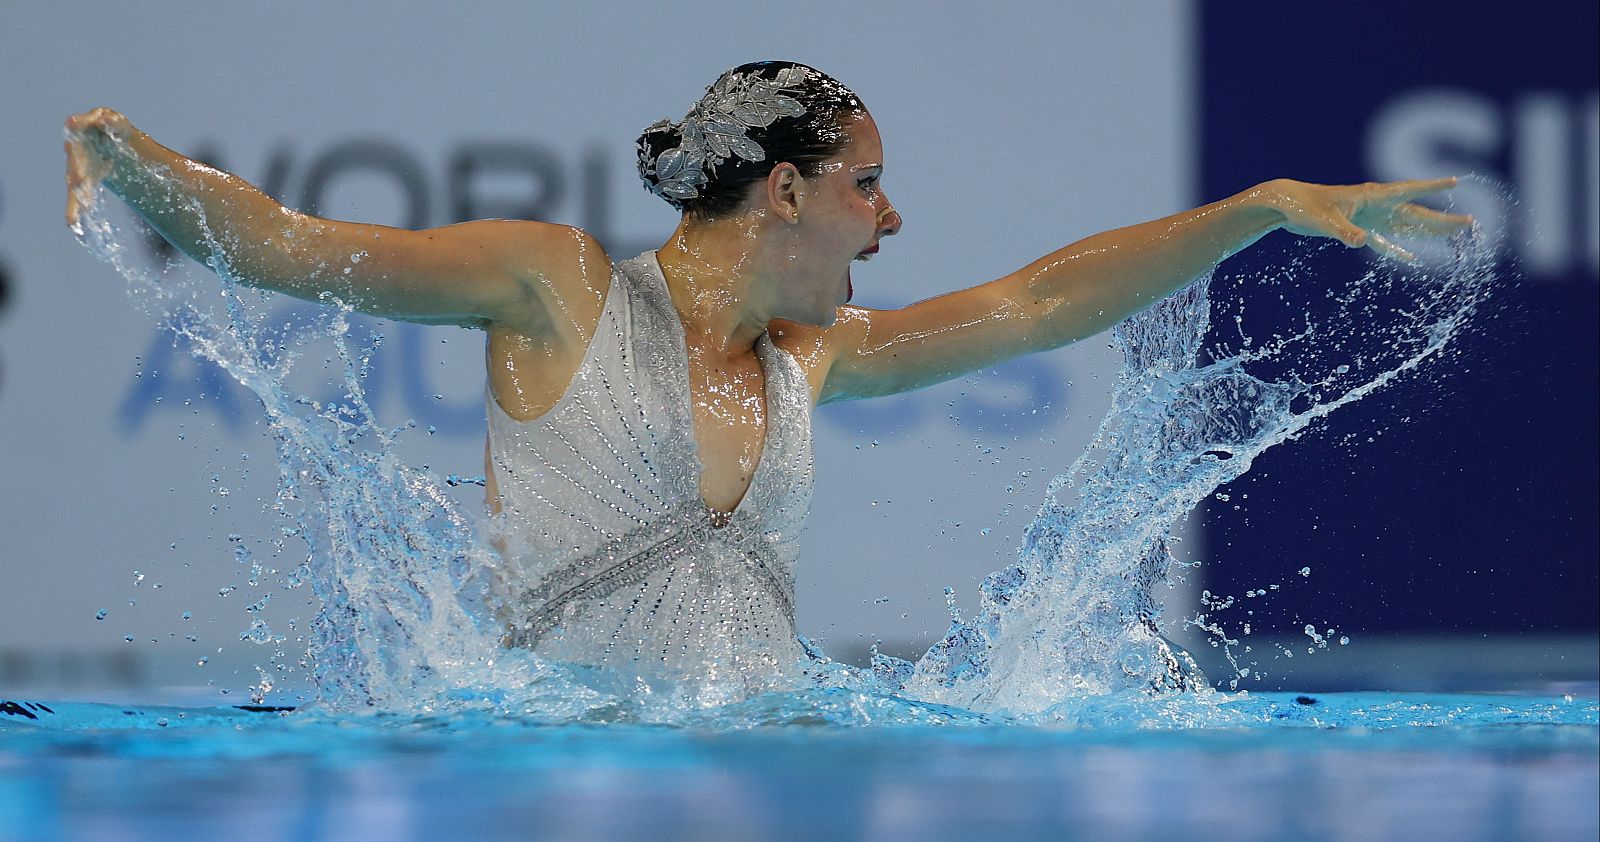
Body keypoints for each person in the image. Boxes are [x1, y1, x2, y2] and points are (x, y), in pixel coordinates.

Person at [64, 61, 1470, 700]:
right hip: (540, 766)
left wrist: (1268, 204)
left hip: (765, 747)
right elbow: (301, 251)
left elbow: (1042, 302)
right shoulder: (555, 287)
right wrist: (136, 160)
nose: (891, 219)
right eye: (869, 187)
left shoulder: (818, 358)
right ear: (785, 191)